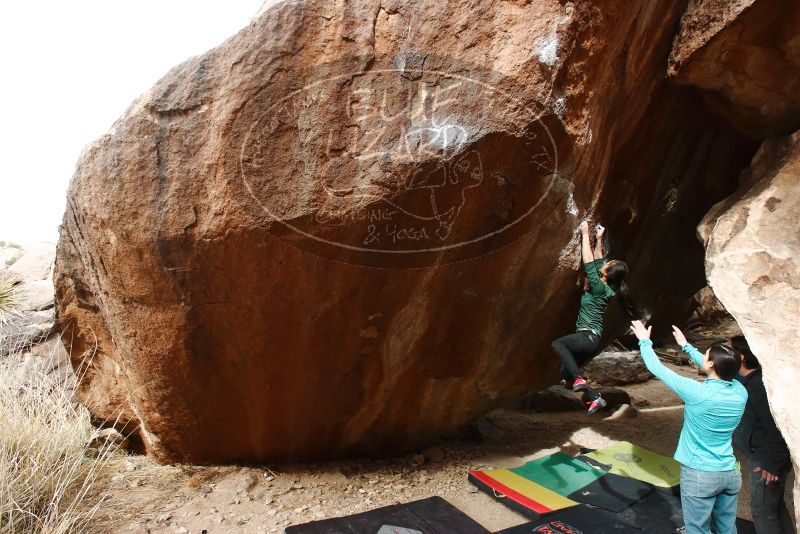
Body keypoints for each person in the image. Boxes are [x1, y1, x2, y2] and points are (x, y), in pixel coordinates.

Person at [631, 320, 747, 534]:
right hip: (730, 472)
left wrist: (644, 342)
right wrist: (687, 346)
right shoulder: (740, 391)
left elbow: (657, 368)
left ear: (711, 364)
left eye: (706, 355)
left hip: (700, 474)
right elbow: (721, 369)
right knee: (727, 528)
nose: (703, 357)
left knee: (696, 529)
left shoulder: (697, 393)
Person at [550, 221, 640, 413]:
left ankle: (583, 384)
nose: (605, 262)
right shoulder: (607, 286)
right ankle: (593, 397)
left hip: (587, 337)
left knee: (558, 344)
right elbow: (598, 261)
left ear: (607, 274)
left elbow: (589, 262)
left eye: (608, 264)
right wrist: (598, 239)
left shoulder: (599, 288)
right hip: (592, 340)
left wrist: (584, 234)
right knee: (566, 373)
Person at [730, 335, 795, 534]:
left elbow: (777, 427)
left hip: (765, 460)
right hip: (760, 456)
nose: (725, 353)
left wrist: (771, 464)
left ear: (741, 357)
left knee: (762, 511)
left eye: (729, 349)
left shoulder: (758, 386)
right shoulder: (747, 379)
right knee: (774, 506)